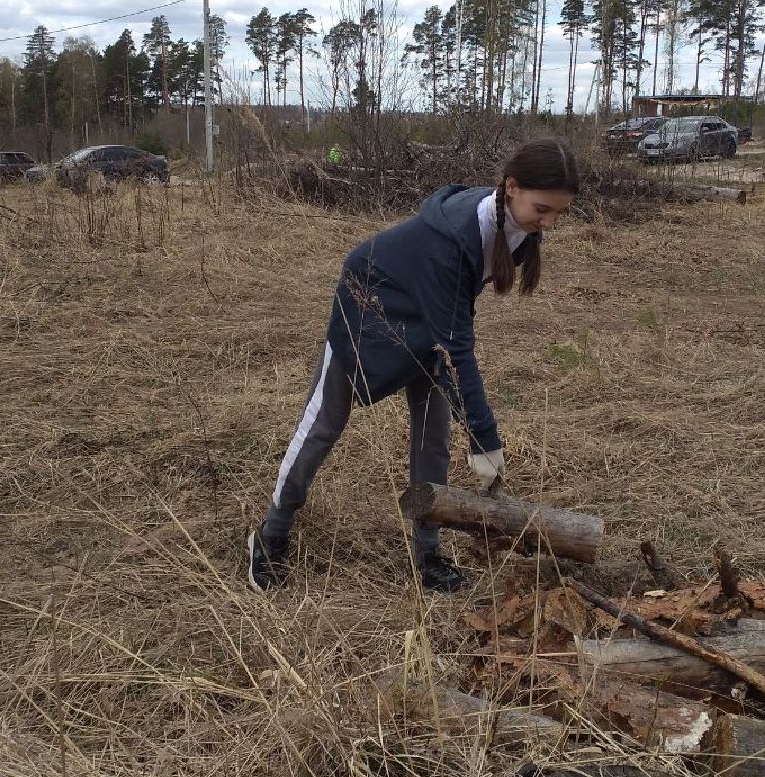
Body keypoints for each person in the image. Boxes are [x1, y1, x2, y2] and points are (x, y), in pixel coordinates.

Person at [248, 139, 581, 593]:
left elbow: (457, 316)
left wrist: (473, 430)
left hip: (429, 320)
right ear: (511, 187)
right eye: (543, 210)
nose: (549, 224)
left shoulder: (514, 223)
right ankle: (270, 535)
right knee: (323, 424)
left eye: (558, 213)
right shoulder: (452, 239)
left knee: (433, 439)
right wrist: (486, 439)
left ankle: (427, 553)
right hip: (367, 308)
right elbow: (460, 348)